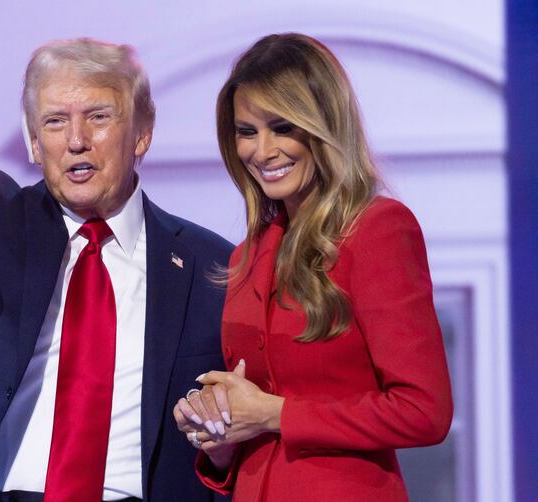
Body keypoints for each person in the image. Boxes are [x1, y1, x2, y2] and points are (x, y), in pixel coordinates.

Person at [0, 38, 233, 501]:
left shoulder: (210, 265)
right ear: (34, 141)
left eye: (98, 116)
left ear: (143, 131)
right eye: (55, 121)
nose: (76, 141)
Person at [173, 33, 453, 501]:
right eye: (247, 132)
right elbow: (255, 420)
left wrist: (273, 413)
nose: (262, 152)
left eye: (282, 127)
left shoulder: (378, 230)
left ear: (323, 125)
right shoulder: (246, 256)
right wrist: (219, 430)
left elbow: (424, 411)